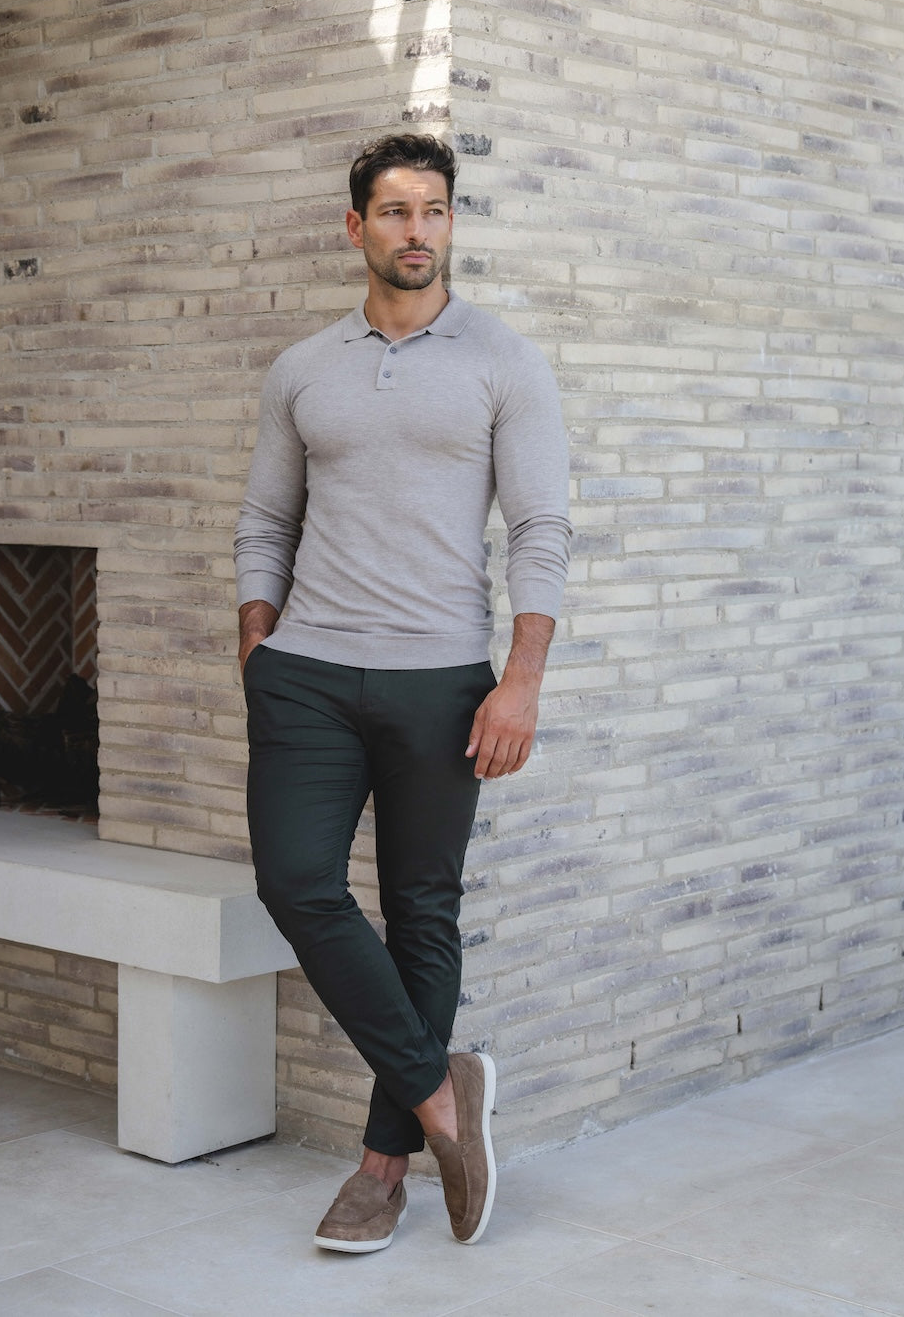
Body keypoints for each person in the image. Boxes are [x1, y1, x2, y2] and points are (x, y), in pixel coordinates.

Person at [234, 133, 571, 1253]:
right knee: (296, 881)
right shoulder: (302, 369)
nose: (415, 230)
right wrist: (257, 645)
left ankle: (383, 1169)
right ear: (356, 228)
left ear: (451, 223)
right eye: (393, 211)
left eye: (432, 210)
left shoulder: (505, 362)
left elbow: (541, 528)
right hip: (308, 675)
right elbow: (266, 520)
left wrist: (519, 683)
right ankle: (444, 1100)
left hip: (441, 680)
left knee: (423, 909)